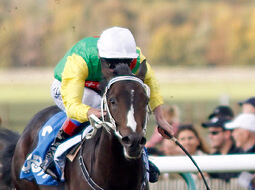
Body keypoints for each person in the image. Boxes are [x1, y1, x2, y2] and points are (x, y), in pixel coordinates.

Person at [43, 27, 174, 180]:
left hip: (107, 88)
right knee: (105, 107)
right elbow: (73, 106)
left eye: (125, 62)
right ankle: (55, 148)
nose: (118, 68)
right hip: (70, 86)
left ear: (132, 58)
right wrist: (95, 112)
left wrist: (160, 119)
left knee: (124, 107)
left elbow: (151, 87)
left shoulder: (137, 58)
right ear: (100, 56)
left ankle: (140, 155)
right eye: (111, 63)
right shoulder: (80, 59)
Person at [201, 114, 242, 182]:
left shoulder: (240, 155)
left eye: (214, 133)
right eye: (209, 133)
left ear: (227, 134)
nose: (210, 136)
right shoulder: (212, 158)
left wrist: (211, 174)